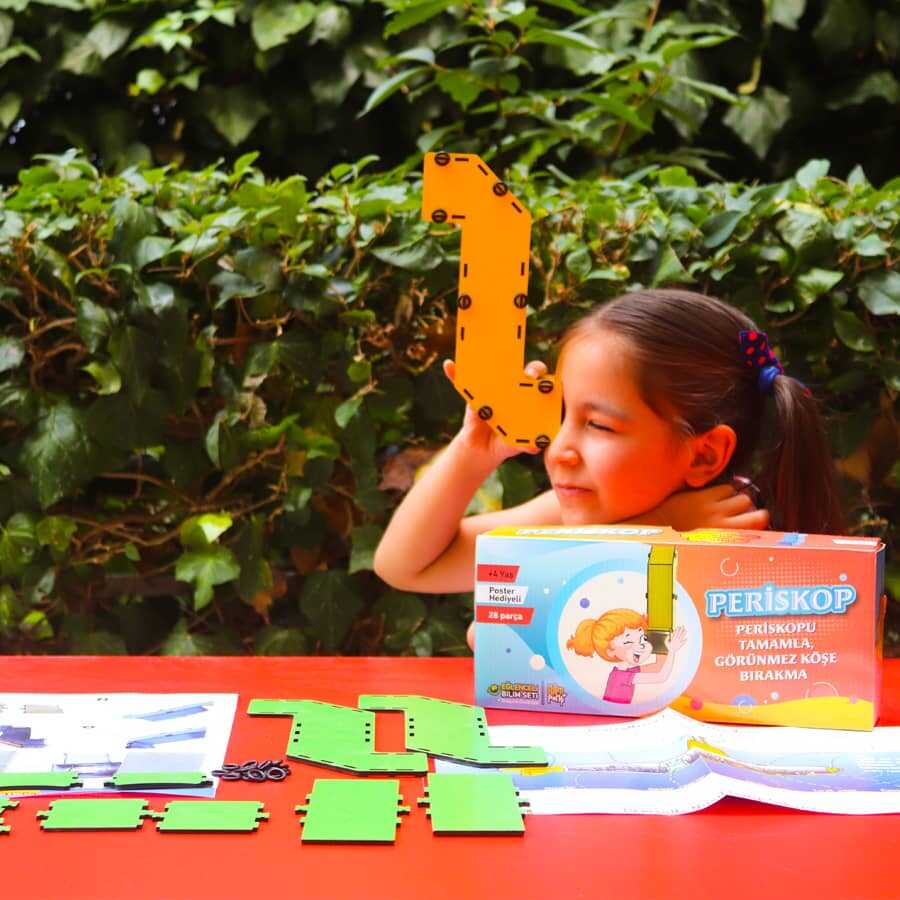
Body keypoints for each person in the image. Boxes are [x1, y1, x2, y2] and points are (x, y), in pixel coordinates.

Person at [373, 289, 845, 646]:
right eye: (560, 415)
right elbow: (405, 566)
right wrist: (471, 452)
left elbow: (494, 633)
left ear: (704, 455)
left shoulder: (740, 540)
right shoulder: (589, 514)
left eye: (597, 425)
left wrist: (658, 536)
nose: (559, 450)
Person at [566, 610, 688, 704]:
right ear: (611, 651)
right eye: (628, 642)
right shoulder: (621, 677)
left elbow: (658, 667)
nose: (641, 646)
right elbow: (661, 676)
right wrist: (672, 651)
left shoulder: (628, 670)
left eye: (643, 639)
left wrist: (662, 640)